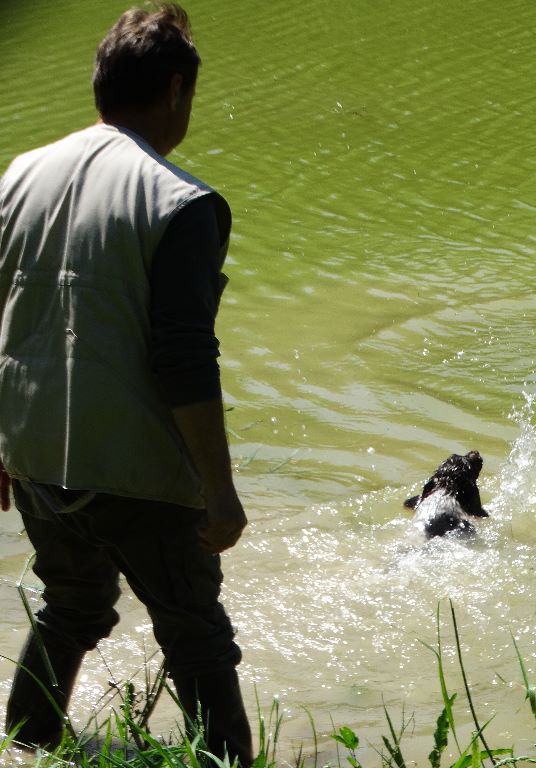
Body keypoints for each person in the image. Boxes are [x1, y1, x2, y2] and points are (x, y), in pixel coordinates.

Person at [0, 4, 253, 764]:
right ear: (175, 90)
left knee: (70, 605)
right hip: (136, 468)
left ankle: (24, 746)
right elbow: (183, 358)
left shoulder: (19, 174)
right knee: (195, 634)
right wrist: (219, 487)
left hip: (36, 454)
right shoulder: (181, 202)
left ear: (101, 84)